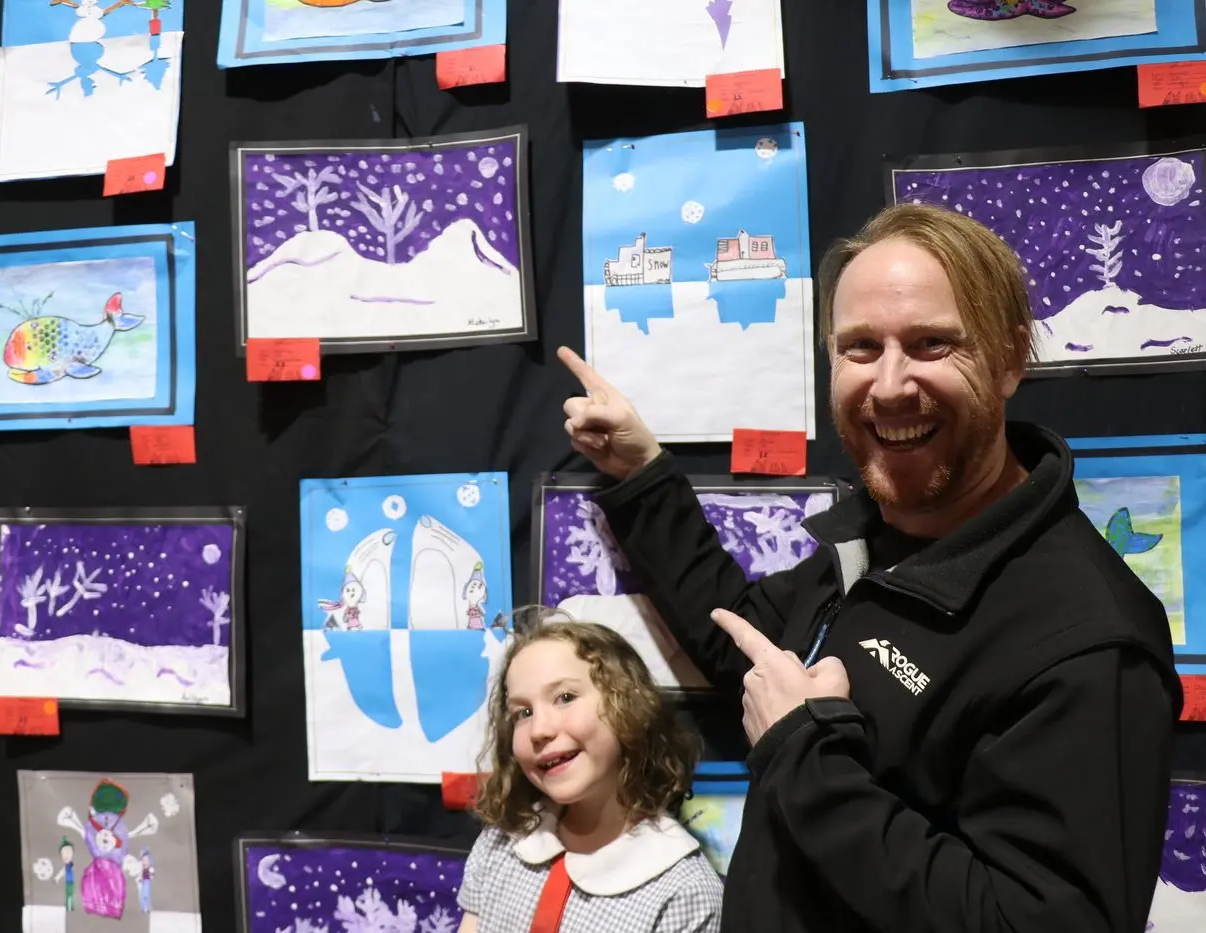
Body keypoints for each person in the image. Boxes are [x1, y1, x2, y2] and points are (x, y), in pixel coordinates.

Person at [556, 201, 1183, 932]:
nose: (888, 385)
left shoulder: (1087, 638)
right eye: (859, 347)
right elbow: (747, 642)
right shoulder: (875, 541)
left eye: (929, 344)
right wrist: (641, 474)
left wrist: (805, 757)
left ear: (1011, 359)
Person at [456, 616, 724, 932]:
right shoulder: (502, 841)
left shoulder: (683, 892)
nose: (539, 730)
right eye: (523, 713)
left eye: (565, 698)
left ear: (628, 706)